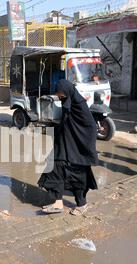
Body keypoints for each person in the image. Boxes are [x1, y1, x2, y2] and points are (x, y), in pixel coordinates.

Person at [38, 79, 98, 216]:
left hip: (77, 147)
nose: (60, 98)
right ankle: (58, 203)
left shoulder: (80, 105)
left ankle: (81, 204)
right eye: (58, 95)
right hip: (63, 144)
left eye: (61, 95)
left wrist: (85, 147)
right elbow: (65, 123)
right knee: (54, 167)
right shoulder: (67, 103)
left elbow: (91, 127)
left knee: (77, 175)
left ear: (69, 92)